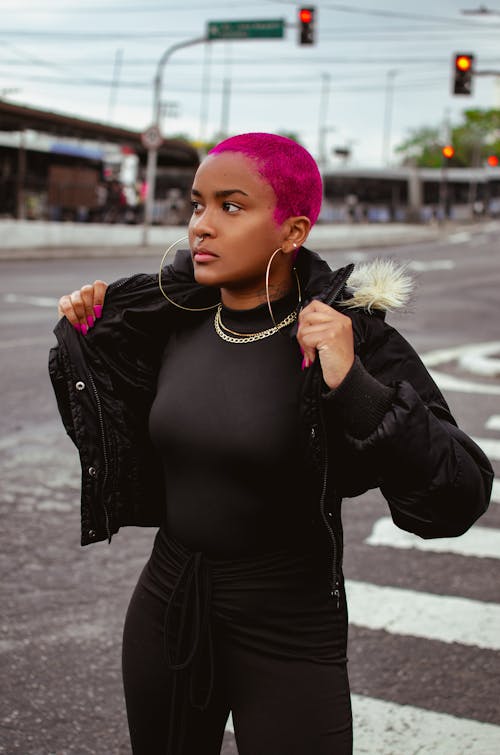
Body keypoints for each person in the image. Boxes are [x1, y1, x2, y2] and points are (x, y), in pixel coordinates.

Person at [49, 133, 493, 755]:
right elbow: (112, 426)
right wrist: (96, 329)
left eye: (231, 207)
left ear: (293, 232)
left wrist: (355, 385)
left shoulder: (349, 335)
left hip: (290, 619)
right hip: (167, 603)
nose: (202, 226)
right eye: (197, 204)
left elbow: (457, 495)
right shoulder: (165, 315)